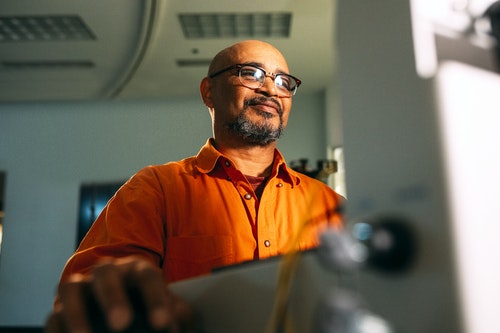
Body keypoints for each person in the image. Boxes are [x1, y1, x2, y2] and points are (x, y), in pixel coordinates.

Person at [45, 39, 343, 332]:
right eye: (251, 73)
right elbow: (90, 305)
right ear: (208, 92)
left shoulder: (329, 204)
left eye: (283, 81)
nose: (269, 89)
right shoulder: (154, 190)